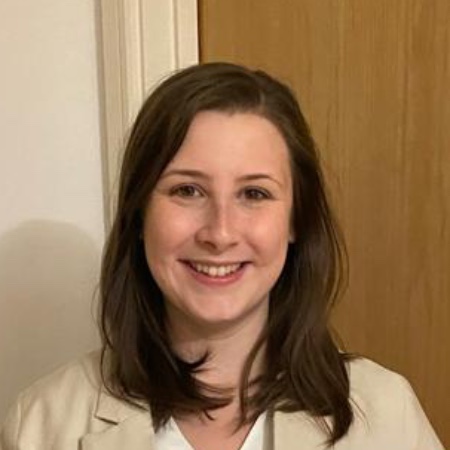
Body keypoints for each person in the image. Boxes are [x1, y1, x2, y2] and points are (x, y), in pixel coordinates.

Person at [0, 63, 444, 450]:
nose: (220, 232)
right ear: (139, 214)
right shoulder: (41, 425)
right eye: (187, 190)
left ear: (295, 221)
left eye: (254, 193)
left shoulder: (387, 413)